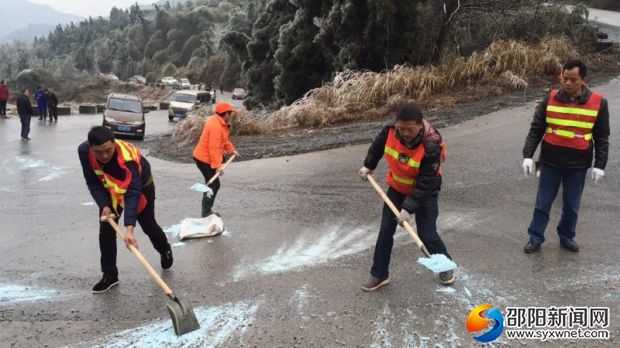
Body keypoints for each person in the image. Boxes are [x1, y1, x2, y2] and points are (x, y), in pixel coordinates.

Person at [358, 102, 454, 292]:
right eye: (402, 129)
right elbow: (377, 148)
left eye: (410, 129)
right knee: (385, 230)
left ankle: (445, 266)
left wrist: (408, 208)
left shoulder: (431, 144)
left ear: (420, 124)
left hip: (425, 192)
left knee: (427, 234)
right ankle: (380, 273)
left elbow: (427, 180)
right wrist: (368, 165)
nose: (405, 133)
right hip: (397, 187)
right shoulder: (390, 130)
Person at [522, 59, 610, 254]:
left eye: (573, 80)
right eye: (565, 79)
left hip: (578, 164)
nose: (568, 83)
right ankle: (535, 237)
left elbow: (602, 136)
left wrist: (600, 165)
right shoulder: (550, 98)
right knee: (543, 203)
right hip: (550, 161)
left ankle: (566, 236)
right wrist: (528, 155)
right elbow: (537, 128)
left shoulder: (598, 103)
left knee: (571, 205)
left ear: (583, 80)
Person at [78, 127, 173, 293]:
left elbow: (132, 194)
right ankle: (110, 275)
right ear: (91, 147)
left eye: (108, 150)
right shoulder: (84, 151)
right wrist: (104, 205)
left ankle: (164, 248)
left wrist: (129, 229)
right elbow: (92, 182)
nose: (105, 155)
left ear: (114, 144)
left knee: (147, 224)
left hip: (141, 186)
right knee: (106, 230)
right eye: (99, 152)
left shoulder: (128, 159)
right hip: (111, 186)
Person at [192, 102, 239, 217]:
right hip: (203, 159)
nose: (232, 115)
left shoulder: (220, 123)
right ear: (226, 114)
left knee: (211, 183)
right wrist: (217, 166)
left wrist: (231, 150)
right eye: (230, 113)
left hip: (206, 158)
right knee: (214, 184)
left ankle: (205, 209)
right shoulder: (215, 126)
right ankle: (206, 211)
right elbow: (213, 148)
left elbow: (223, 141)